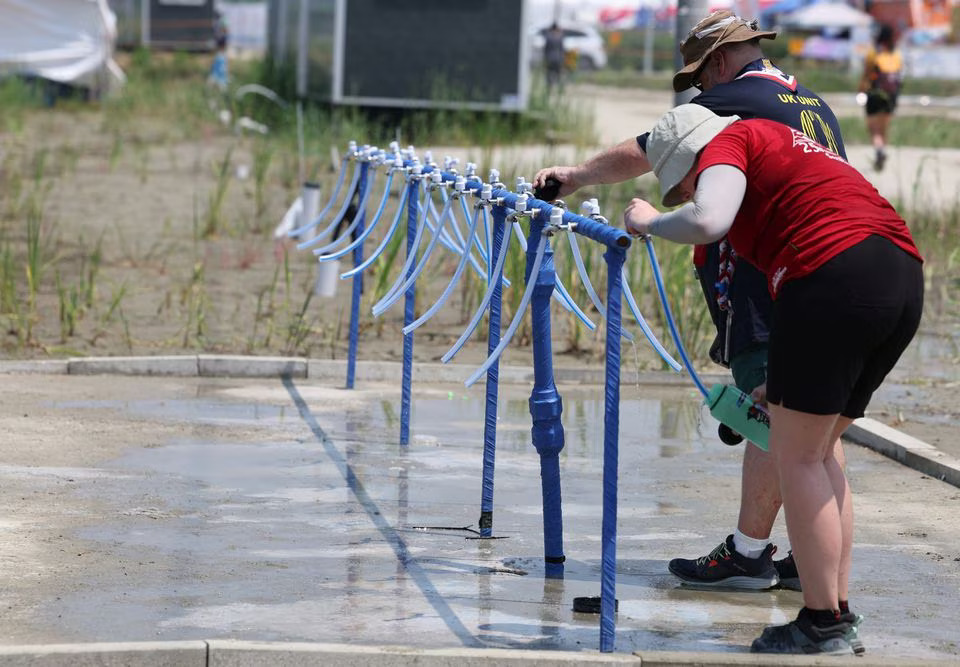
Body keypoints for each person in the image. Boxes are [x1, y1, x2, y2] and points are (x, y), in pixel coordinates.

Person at [534, 9, 848, 597]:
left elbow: (650, 149)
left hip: (770, 277)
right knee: (811, 431)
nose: (702, 89)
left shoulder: (735, 99)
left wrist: (575, 176)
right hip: (828, 273)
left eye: (702, 76)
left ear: (722, 62)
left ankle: (752, 554)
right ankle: (807, 557)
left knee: (785, 424)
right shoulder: (812, 105)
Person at [623, 102, 923, 655]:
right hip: (898, 274)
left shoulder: (727, 145)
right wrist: (783, 373)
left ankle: (820, 621)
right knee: (823, 450)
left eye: (684, 187)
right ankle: (837, 608)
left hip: (835, 272)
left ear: (693, 160)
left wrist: (649, 223)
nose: (689, 196)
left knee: (800, 459)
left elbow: (708, 220)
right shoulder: (780, 146)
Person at [858, 23, 903, 171]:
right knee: (884, 128)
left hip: (874, 95)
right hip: (891, 96)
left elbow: (866, 75)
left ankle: (879, 151)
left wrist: (861, 91)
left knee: (874, 129)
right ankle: (883, 150)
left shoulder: (873, 53)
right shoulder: (896, 54)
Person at [543, 22, 566, 94]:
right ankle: (560, 90)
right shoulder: (560, 37)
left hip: (550, 58)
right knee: (559, 75)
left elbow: (545, 49)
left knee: (549, 74)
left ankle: (549, 90)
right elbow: (562, 50)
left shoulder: (548, 37)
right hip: (558, 59)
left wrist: (545, 59)